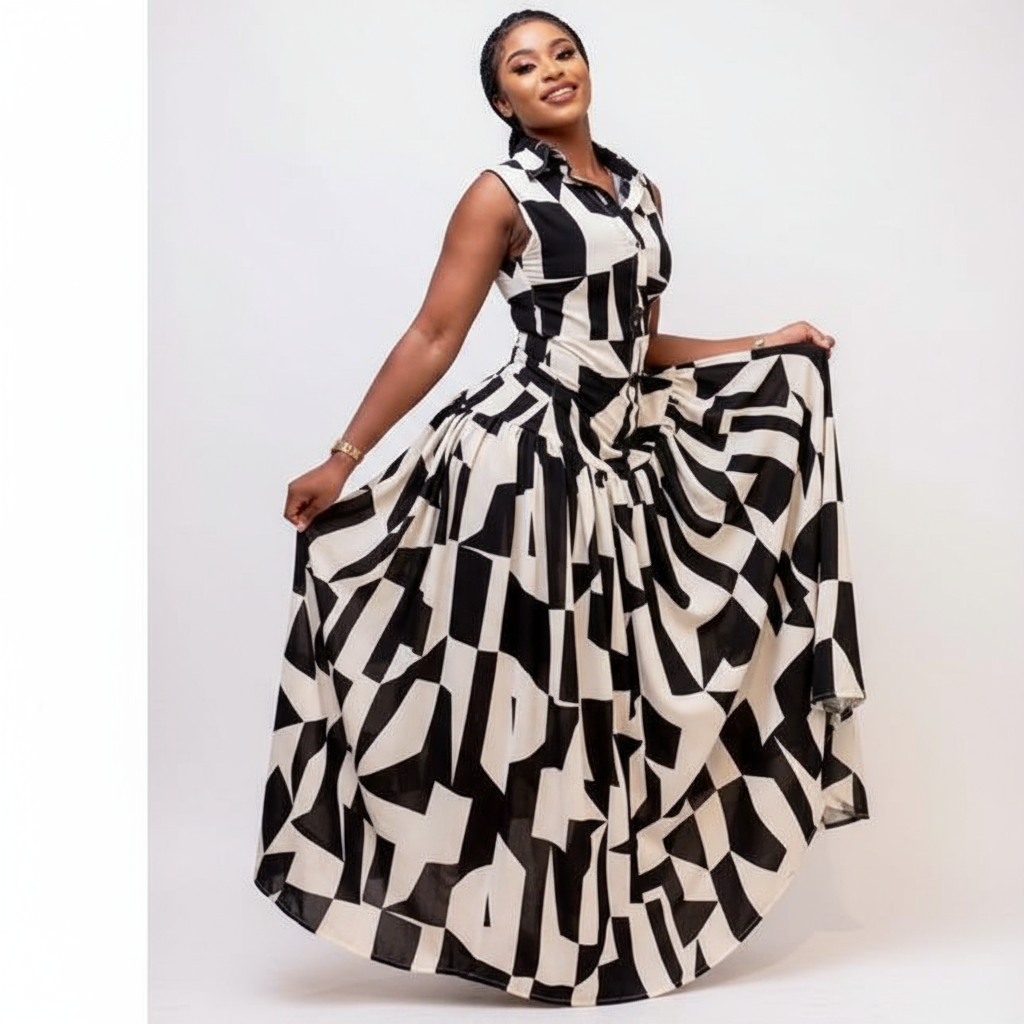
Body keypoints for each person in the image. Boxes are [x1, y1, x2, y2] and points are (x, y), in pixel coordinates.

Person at [253, 9, 869, 1007]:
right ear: (502, 100)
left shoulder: (640, 192)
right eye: (523, 65)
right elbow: (434, 333)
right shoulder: (500, 195)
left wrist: (764, 344)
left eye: (563, 52)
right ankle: (516, 935)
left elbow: (637, 347)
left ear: (587, 68)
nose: (550, 71)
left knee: (598, 700)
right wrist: (345, 454)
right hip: (525, 460)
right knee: (525, 706)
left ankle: (588, 935)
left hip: (612, 465)